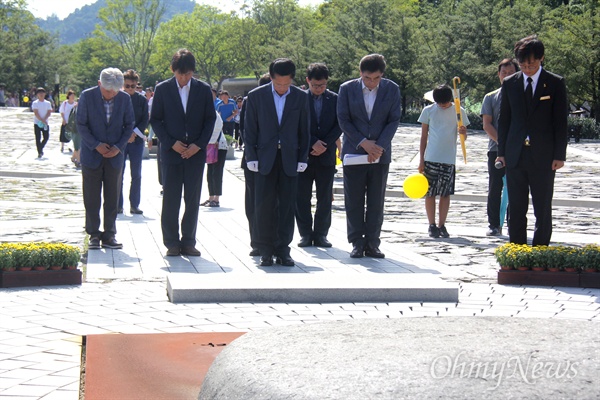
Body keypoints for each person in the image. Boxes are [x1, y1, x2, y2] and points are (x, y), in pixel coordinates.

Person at [497, 35, 568, 246]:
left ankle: (540, 252)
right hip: (515, 154)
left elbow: (560, 122)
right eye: (523, 64)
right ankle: (516, 250)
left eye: (532, 64)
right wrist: (502, 152)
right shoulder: (510, 83)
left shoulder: (555, 83)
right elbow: (504, 120)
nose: (527, 68)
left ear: (541, 58)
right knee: (516, 206)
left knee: (542, 206)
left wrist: (559, 155)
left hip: (544, 156)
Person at [150, 49, 216, 257]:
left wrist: (198, 145)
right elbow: (156, 120)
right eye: (181, 74)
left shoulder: (203, 90)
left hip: (195, 153)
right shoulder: (163, 89)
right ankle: (171, 242)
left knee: (192, 198)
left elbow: (209, 120)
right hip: (171, 152)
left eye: (188, 74)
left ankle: (188, 241)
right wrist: (170, 143)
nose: (185, 78)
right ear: (173, 70)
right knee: (171, 198)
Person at [244, 58, 310, 266]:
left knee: (287, 205)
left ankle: (283, 249)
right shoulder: (256, 96)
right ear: (271, 78)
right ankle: (265, 249)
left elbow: (304, 130)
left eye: (286, 83)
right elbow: (250, 129)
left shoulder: (300, 97)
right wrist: (251, 156)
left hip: (289, 157)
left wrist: (303, 157)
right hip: (264, 157)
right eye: (278, 83)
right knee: (264, 205)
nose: (282, 88)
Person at [337, 54, 401, 259]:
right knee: (354, 200)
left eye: (376, 78)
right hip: (354, 152)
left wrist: (379, 146)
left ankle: (373, 243)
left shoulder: (392, 89)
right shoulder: (347, 89)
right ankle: (356, 242)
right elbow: (343, 119)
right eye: (367, 78)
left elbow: (393, 120)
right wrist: (363, 142)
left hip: (379, 155)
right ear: (360, 74)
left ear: (382, 74)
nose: (371, 82)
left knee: (376, 200)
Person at [77, 68, 135, 250]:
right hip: (92, 154)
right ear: (99, 83)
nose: (111, 95)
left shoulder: (124, 99)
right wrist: (96, 145)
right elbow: (81, 124)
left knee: (112, 196)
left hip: (115, 155)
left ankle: (110, 234)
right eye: (108, 91)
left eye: (115, 91)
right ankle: (93, 233)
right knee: (91, 196)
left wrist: (118, 147)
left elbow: (129, 125)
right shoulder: (87, 96)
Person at [295, 63, 341, 248]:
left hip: (326, 156)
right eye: (315, 85)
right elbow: (296, 125)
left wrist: (326, 143)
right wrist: (312, 141)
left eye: (322, 85)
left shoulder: (335, 99)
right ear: (308, 81)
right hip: (304, 155)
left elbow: (340, 124)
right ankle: (305, 234)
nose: (319, 89)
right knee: (302, 197)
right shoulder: (299, 99)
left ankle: (321, 234)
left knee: (324, 197)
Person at [418, 84, 469, 238]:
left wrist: (463, 132)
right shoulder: (428, 111)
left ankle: (442, 224)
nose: (443, 105)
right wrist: (421, 159)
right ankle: (431, 224)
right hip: (431, 158)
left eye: (445, 102)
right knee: (430, 193)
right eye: (440, 103)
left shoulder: (459, 111)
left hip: (449, 158)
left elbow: (463, 137)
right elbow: (424, 136)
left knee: (445, 194)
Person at [481, 59, 518, 236]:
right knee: (495, 187)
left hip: (518, 150)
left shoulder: (522, 96)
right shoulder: (490, 97)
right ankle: (494, 224)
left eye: (511, 73)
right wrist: (502, 144)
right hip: (495, 149)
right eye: (504, 73)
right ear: (498, 75)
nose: (507, 76)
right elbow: (487, 124)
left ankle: (514, 223)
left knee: (517, 186)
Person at [240, 73, 271, 257]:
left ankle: (272, 240)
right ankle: (257, 241)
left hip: (276, 160)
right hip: (253, 159)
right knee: (253, 202)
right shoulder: (251, 100)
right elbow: (245, 130)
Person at [119, 69, 149, 215]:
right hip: (121, 141)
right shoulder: (118, 98)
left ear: (137, 85)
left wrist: (134, 133)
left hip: (136, 141)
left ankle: (134, 204)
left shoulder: (142, 100)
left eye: (133, 86)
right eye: (127, 86)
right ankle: (118, 205)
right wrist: (126, 135)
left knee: (136, 174)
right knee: (119, 173)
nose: (130, 88)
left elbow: (145, 120)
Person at [201, 89, 225, 207]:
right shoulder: (205, 112)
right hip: (210, 146)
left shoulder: (213, 113)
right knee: (210, 172)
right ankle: (211, 197)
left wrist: (209, 141)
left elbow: (217, 127)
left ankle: (216, 198)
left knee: (217, 172)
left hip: (218, 146)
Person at [31, 87, 53, 158]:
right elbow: (36, 113)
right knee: (38, 138)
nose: (41, 94)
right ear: (37, 94)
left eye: (42, 93)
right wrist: (41, 120)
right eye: (39, 93)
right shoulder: (35, 103)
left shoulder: (48, 103)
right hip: (37, 123)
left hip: (45, 123)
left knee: (46, 137)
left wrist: (44, 119)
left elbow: (49, 112)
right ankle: (39, 152)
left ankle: (41, 147)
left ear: (45, 94)